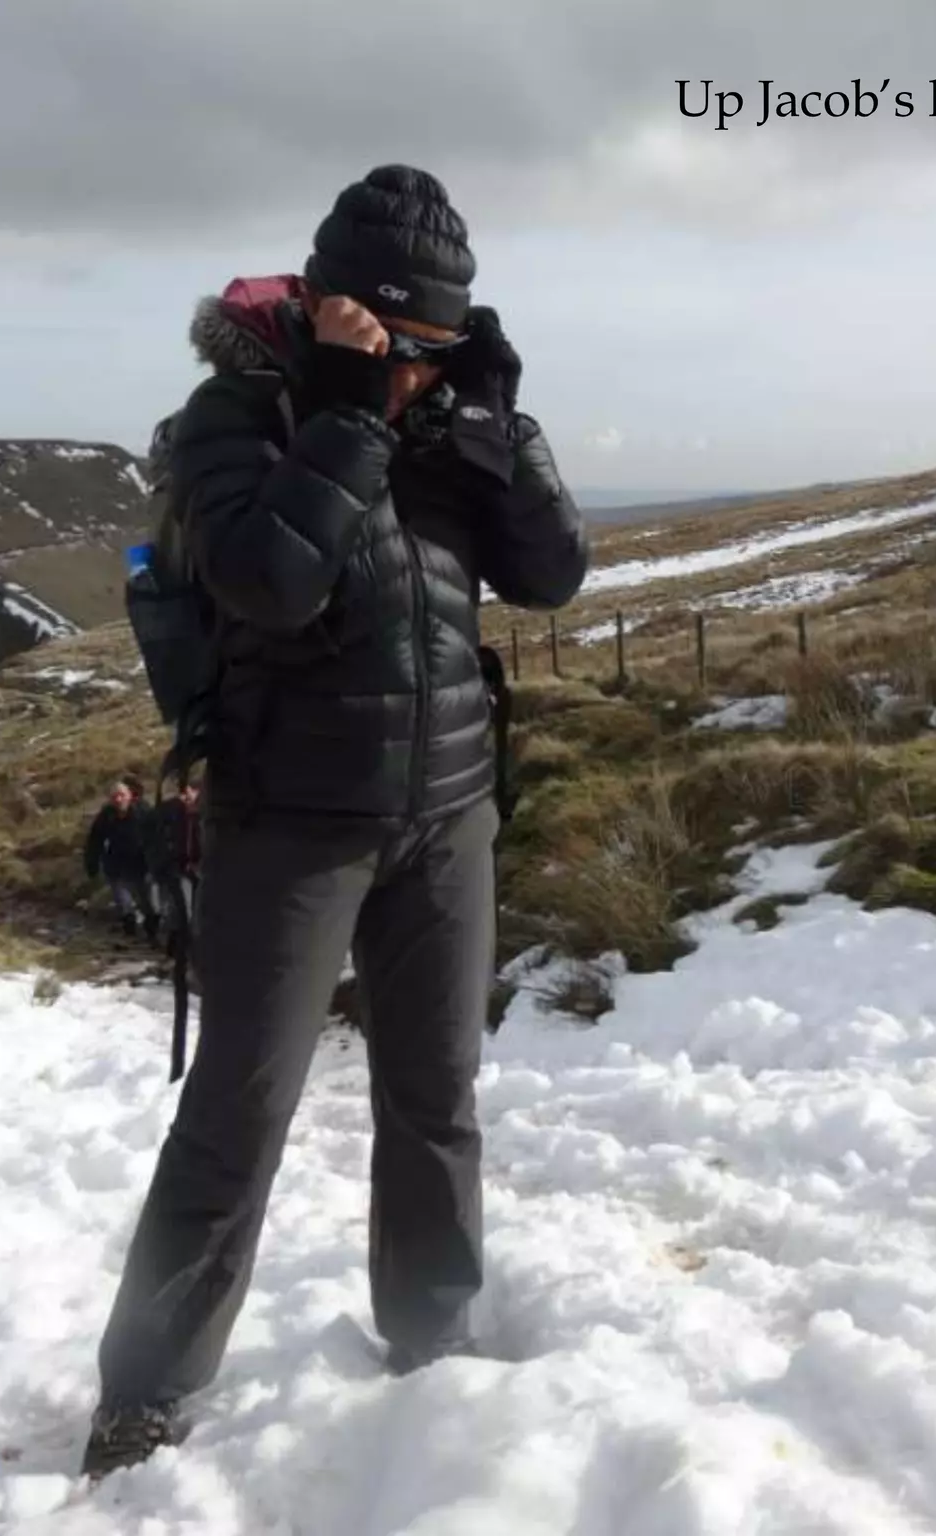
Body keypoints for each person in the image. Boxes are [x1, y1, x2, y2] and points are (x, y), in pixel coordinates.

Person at [81, 164, 588, 1479]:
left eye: (440, 345)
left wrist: (501, 421)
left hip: (450, 817)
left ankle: (432, 1339)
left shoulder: (445, 414)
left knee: (438, 1101)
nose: (419, 369)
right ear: (327, 312)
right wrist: (349, 422)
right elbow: (266, 583)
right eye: (397, 344)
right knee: (240, 1111)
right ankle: (145, 1393)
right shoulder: (229, 420)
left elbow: (552, 573)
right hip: (290, 825)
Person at [82, 777, 156, 942]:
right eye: (115, 796)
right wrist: (91, 865)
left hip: (141, 864)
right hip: (116, 865)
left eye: (122, 795)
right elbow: (95, 841)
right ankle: (130, 934)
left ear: (130, 795)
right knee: (124, 903)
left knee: (147, 902)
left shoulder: (143, 812)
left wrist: (156, 863)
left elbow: (156, 838)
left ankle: (152, 935)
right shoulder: (106, 815)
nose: (118, 799)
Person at [145, 781, 202, 950]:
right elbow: (158, 841)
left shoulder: (202, 815)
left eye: (188, 794)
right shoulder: (172, 813)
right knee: (183, 909)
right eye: (182, 794)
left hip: (199, 868)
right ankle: (180, 946)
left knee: (191, 908)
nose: (185, 798)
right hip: (177, 868)